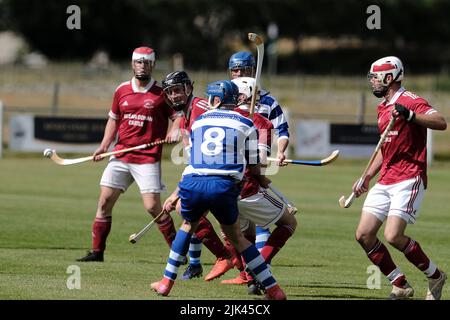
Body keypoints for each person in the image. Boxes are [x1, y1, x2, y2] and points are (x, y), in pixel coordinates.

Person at [151, 80, 286, 300]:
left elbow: (194, 159)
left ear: (215, 99)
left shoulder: (199, 121)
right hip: (224, 186)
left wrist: (176, 193)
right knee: (239, 240)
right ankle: (274, 290)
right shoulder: (247, 122)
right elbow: (254, 165)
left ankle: (166, 283)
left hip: (194, 182)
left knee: (187, 226)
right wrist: (260, 178)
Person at [353, 56, 447, 299]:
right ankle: (400, 284)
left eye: (375, 77)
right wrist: (366, 177)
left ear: (389, 77)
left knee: (393, 235)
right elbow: (384, 150)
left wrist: (411, 115)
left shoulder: (410, 101)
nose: (372, 82)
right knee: (363, 234)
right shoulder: (382, 107)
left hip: (409, 177)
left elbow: (440, 122)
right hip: (386, 179)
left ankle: (436, 276)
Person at [76, 47, 181, 262]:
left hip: (147, 157)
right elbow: (114, 119)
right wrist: (104, 146)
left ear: (152, 65)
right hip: (121, 155)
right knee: (104, 202)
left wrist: (174, 130)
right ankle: (97, 252)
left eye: (147, 62)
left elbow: (178, 116)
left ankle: (178, 252)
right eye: (139, 62)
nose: (142, 66)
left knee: (153, 207)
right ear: (133, 64)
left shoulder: (162, 93)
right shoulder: (121, 90)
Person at [219, 77, 297, 294]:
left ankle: (248, 275)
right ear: (248, 97)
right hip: (247, 188)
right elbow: (261, 160)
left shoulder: (223, 118)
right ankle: (259, 269)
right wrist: (262, 174)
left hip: (223, 190)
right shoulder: (260, 123)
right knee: (289, 223)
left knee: (246, 234)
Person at [161, 71, 235, 281]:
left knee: (186, 209)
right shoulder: (186, 114)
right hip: (210, 173)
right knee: (193, 213)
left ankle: (224, 257)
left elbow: (199, 160)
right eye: (170, 92)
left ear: (189, 88)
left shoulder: (200, 111)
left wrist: (176, 192)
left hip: (223, 174)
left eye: (177, 90)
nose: (174, 96)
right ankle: (203, 263)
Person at [228, 51, 292, 252]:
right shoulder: (227, 96)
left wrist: (280, 152)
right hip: (233, 166)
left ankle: (255, 269)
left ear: (252, 71)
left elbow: (282, 129)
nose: (237, 73)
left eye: (242, 69)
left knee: (255, 217)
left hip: (257, 164)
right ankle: (253, 269)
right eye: (234, 70)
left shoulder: (269, 102)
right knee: (241, 220)